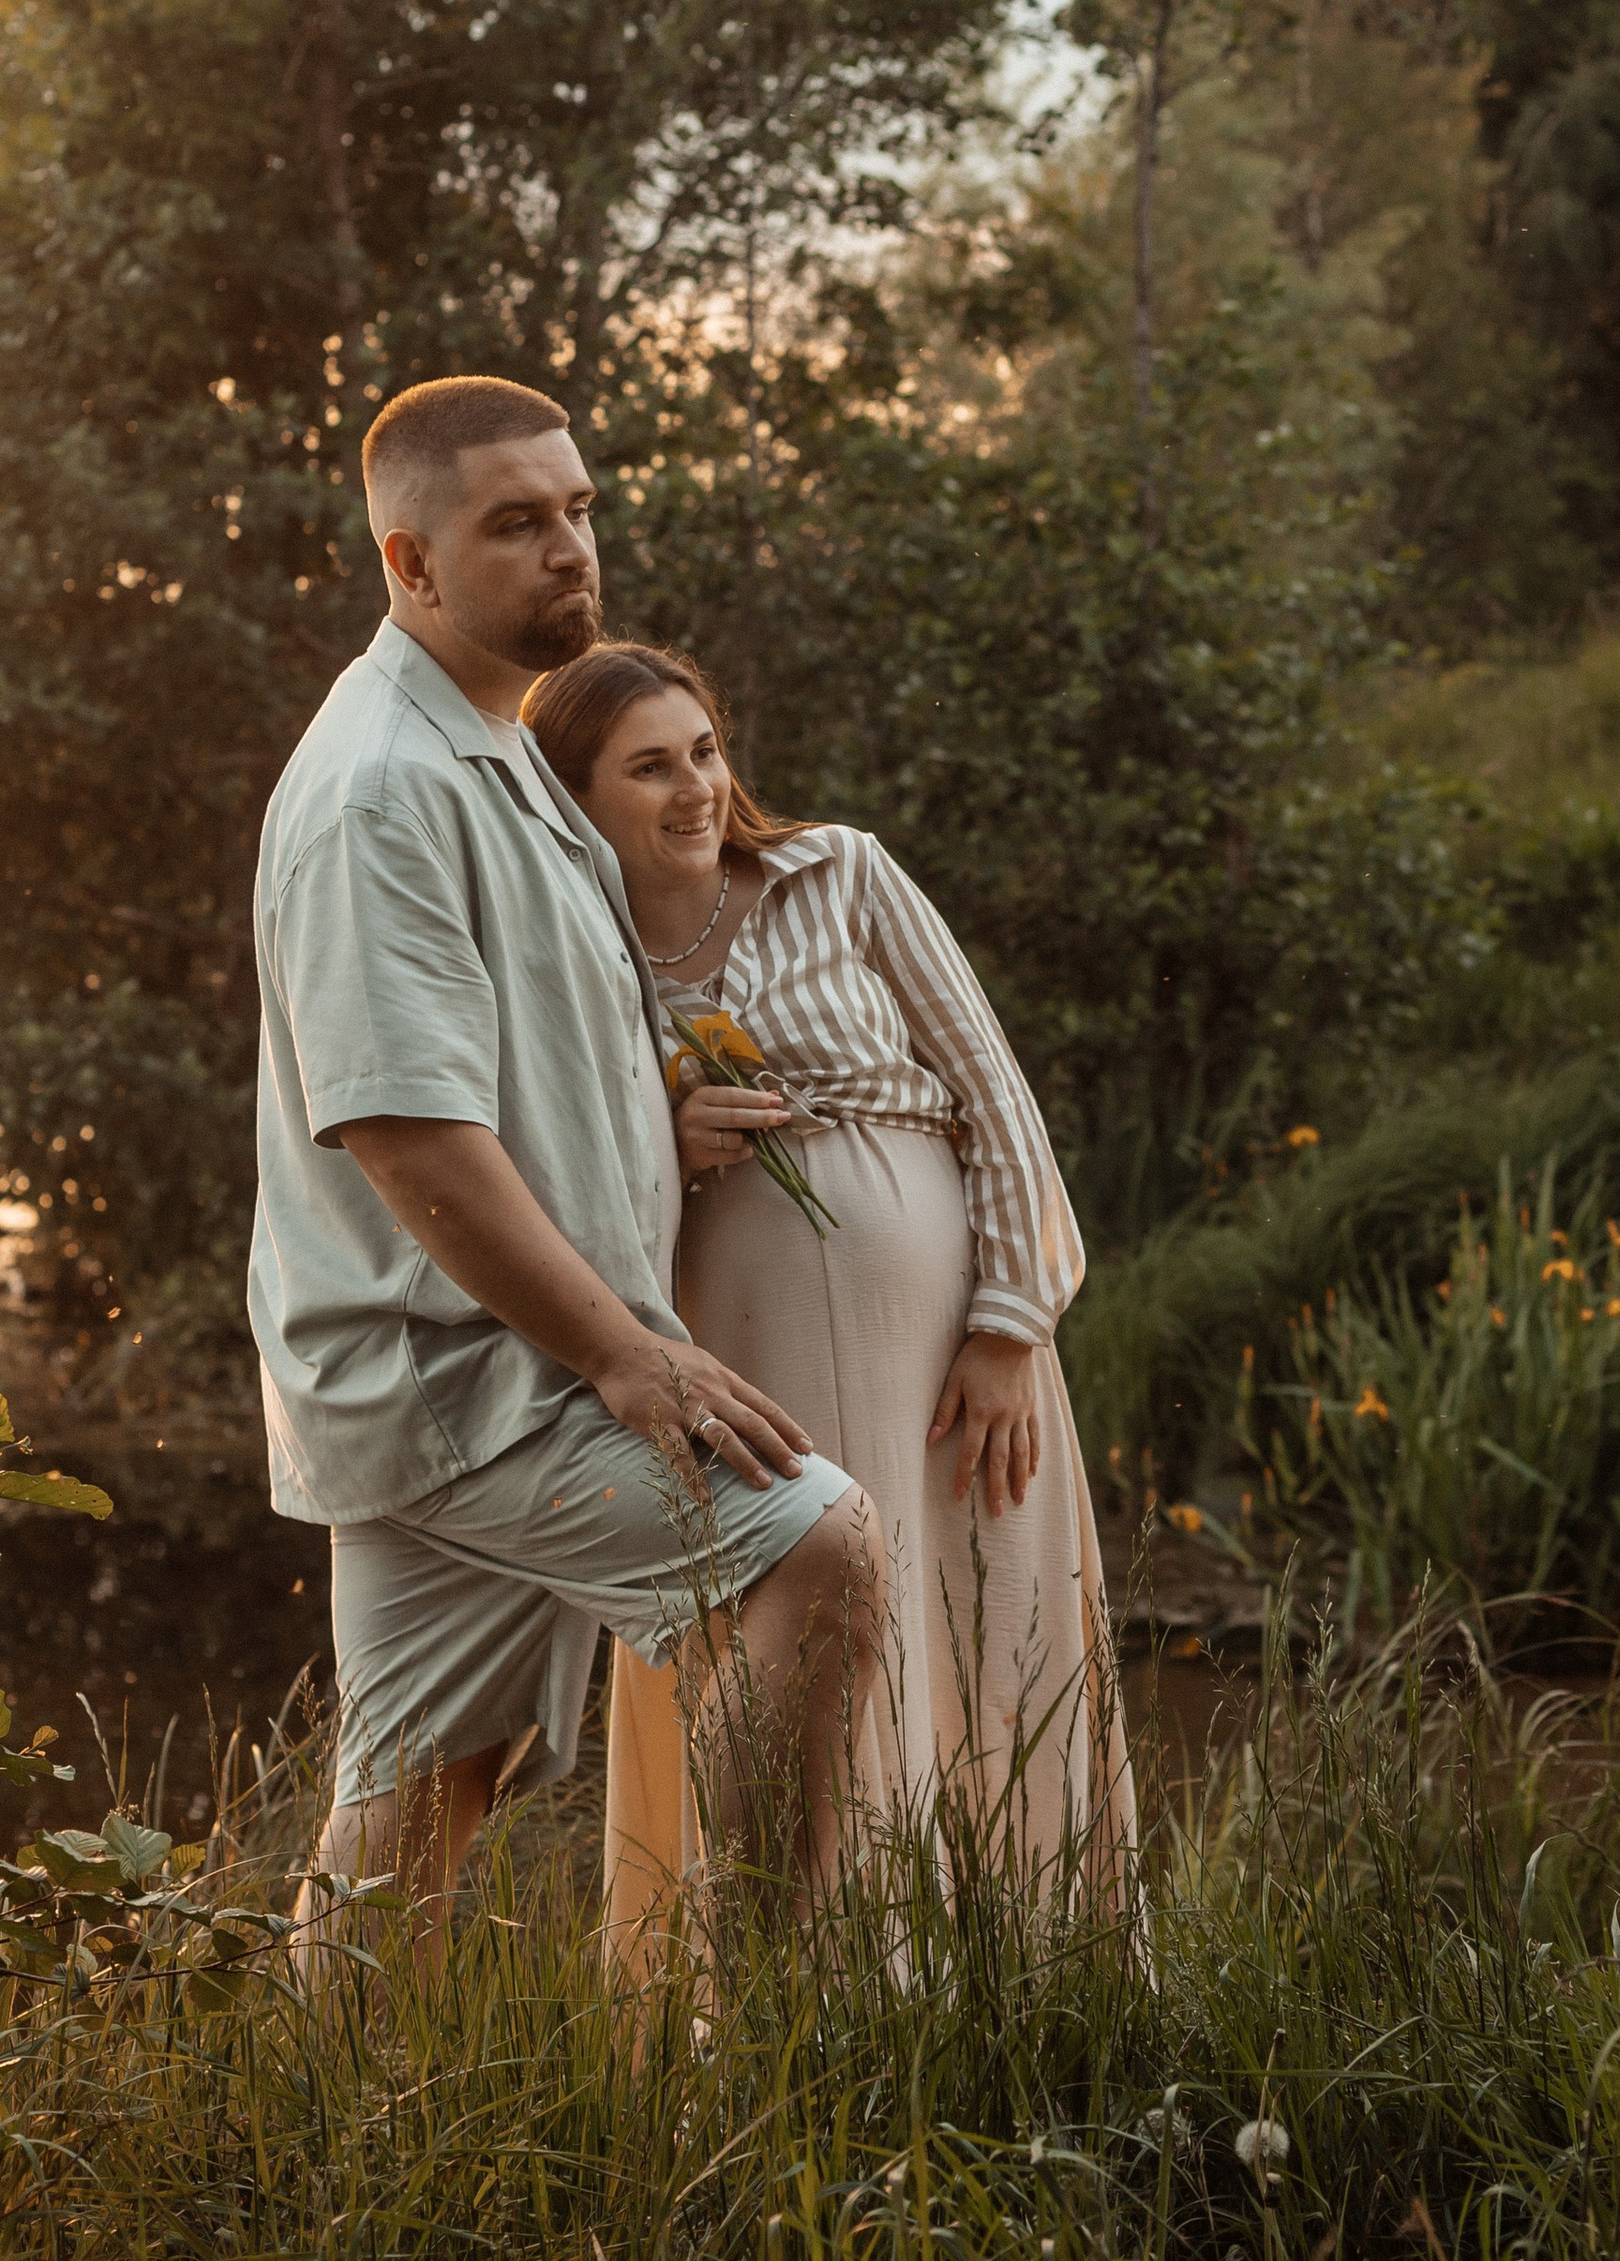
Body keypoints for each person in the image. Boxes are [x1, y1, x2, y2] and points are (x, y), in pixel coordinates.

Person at [250, 377, 879, 1956]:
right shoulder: (380, 789)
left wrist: (651, 1127)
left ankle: (309, 2103)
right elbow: (403, 1132)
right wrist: (625, 1353)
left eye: (580, 509)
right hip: (470, 1376)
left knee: (422, 1799)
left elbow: (515, 1056)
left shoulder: (498, 744)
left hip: (461, 1367)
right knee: (815, 1544)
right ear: (411, 563)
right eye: (517, 524)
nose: (569, 549)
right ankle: (772, 2023)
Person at [518, 641, 1135, 1938]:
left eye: (704, 751)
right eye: (649, 767)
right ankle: (810, 1986)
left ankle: (1027, 1975)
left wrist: (1011, 1328)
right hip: (742, 1360)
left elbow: (994, 1095)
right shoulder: (571, 958)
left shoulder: (840, 872)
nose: (695, 788)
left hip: (951, 1364)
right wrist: (665, 1145)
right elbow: (559, 1194)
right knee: (796, 1647)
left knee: (984, 1636)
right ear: (573, 797)